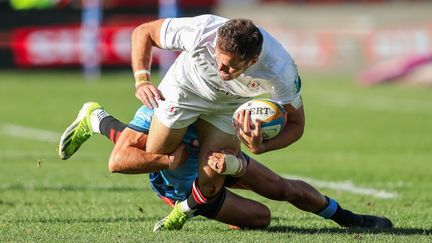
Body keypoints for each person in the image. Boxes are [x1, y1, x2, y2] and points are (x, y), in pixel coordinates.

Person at [58, 102, 393, 231]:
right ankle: (97, 120)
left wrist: (244, 151)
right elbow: (118, 161)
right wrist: (164, 159)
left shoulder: (224, 103)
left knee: (284, 188)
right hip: (181, 180)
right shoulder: (166, 105)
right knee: (261, 218)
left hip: (219, 157)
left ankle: (348, 219)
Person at [130, 14, 305, 230]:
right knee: (156, 154)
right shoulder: (202, 29)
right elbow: (143, 31)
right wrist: (142, 80)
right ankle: (100, 121)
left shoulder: (280, 70)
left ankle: (184, 209)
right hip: (185, 91)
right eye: (218, 59)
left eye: (231, 67)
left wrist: (263, 147)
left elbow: (297, 125)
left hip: (227, 108)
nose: (221, 70)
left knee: (211, 183)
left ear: (252, 61)